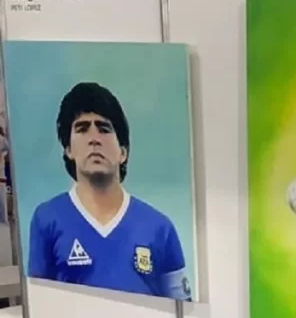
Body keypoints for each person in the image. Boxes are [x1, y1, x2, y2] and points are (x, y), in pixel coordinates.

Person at [26, 82, 191, 300]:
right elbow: (39, 304)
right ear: (68, 149)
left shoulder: (160, 228)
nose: (94, 139)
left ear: (123, 152)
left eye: (104, 129)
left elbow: (182, 308)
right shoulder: (47, 219)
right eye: (82, 129)